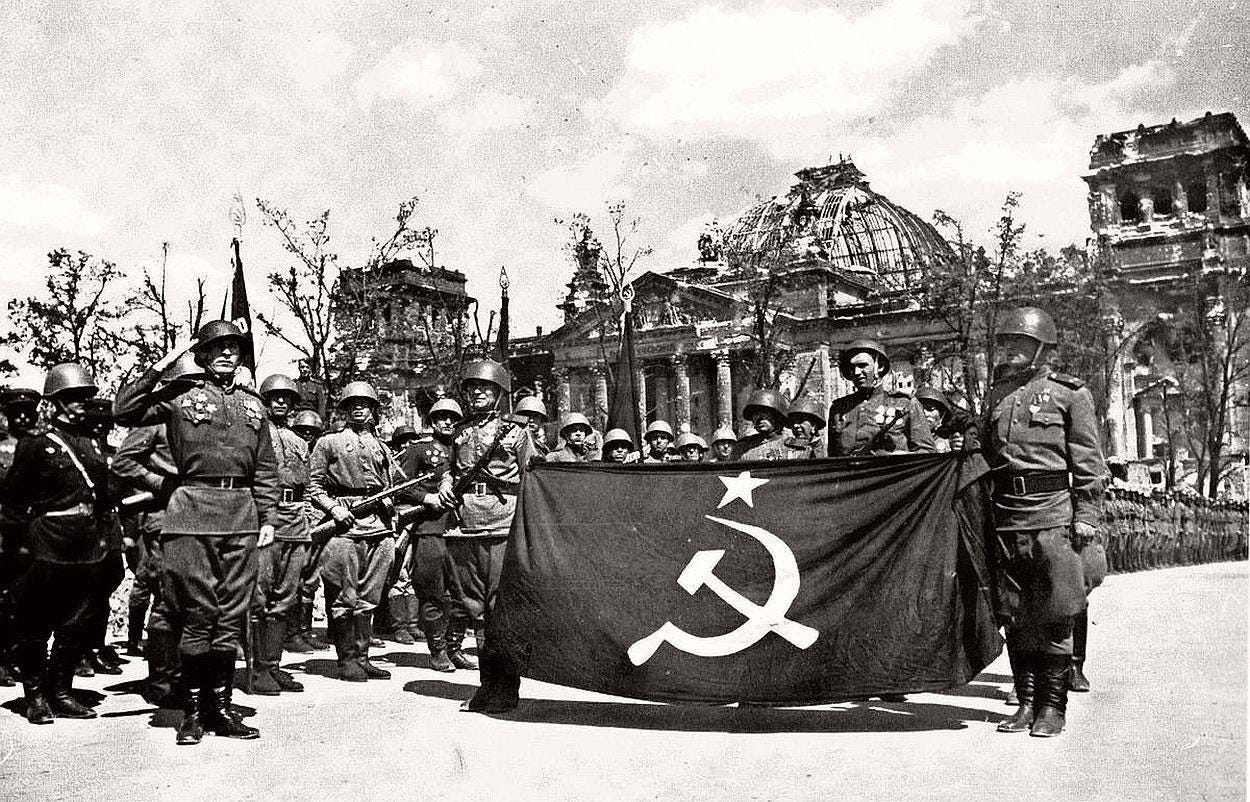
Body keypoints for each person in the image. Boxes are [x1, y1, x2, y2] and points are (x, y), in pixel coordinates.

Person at [113, 320, 280, 744]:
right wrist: (164, 364)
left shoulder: (254, 405)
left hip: (241, 516)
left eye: (234, 348)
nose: (227, 354)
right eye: (217, 348)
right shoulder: (179, 395)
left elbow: (265, 469)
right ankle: (191, 710)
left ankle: (220, 708)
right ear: (201, 354)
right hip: (190, 514)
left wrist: (269, 519)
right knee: (197, 612)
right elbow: (125, 410)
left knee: (231, 614)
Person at [984, 307, 1106, 739]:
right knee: (1014, 616)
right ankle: (1025, 702)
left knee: (1055, 613)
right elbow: (983, 454)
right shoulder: (997, 394)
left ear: (1042, 348)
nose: (1011, 350)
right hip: (1006, 519)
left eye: (1020, 343)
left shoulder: (1070, 394)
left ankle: (1053, 707)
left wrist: (1086, 516)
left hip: (1054, 516)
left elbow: (1089, 463)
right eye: (1007, 343)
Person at [1, 364, 112, 724]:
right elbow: (14, 500)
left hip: (86, 544)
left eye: (83, 397)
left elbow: (105, 495)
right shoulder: (37, 443)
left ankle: (60, 690)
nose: (81, 404)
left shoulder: (92, 442)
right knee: (36, 621)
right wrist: (18, 547)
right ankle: (34, 696)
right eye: (73, 398)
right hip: (48, 543)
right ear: (57, 402)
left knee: (78, 620)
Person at [439, 359, 539, 714]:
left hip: (501, 525)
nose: (478, 393)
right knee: (475, 609)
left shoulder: (516, 433)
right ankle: (488, 686)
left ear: (499, 394)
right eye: (472, 388)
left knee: (500, 609)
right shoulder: (461, 433)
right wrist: (446, 486)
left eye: (486, 388)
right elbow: (450, 472)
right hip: (465, 526)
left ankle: (506, 688)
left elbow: (535, 479)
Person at [308, 381, 404, 683]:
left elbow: (389, 485)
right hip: (344, 524)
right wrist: (333, 509)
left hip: (378, 524)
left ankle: (363, 658)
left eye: (365, 404)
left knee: (371, 596)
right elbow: (313, 486)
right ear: (345, 410)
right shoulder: (329, 442)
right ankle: (346, 659)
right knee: (343, 595)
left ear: (374, 409)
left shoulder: (382, 446)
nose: (359, 408)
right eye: (352, 404)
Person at [246, 374, 312, 695]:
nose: (281, 402)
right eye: (274, 397)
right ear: (264, 400)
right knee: (259, 595)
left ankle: (273, 665)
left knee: (286, 597)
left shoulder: (300, 442)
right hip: (265, 519)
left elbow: (309, 487)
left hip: (295, 521)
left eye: (287, 398)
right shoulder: (254, 434)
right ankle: (257, 670)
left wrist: (308, 521)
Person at [400, 397, 474, 672]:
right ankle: (438, 650)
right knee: (432, 591)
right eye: (441, 417)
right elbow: (400, 485)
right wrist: (426, 497)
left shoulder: (467, 449)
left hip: (463, 528)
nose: (448, 422)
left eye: (453, 418)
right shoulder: (419, 450)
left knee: (464, 592)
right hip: (430, 527)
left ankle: (454, 648)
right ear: (431, 422)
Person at [0, 388, 42, 688]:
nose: (24, 417)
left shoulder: (42, 446)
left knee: (25, 598)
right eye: (17, 413)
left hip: (34, 531)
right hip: (3, 531)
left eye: (29, 412)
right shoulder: (1, 449)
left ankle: (18, 655)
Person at [828, 341, 934, 456]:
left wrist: (903, 456)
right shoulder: (839, 409)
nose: (856, 372)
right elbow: (833, 458)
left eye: (863, 365)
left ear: (880, 366)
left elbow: (928, 452)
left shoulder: (906, 404)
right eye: (852, 367)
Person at [287, 408, 329, 653]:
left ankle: (304, 631)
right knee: (293, 578)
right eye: (302, 431)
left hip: (318, 522)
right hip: (295, 520)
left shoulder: (321, 453)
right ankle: (290, 633)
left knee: (311, 580)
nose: (307, 436)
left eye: (311, 432)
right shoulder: (292, 451)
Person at [732, 389, 808, 461]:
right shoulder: (742, 447)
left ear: (777, 417)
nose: (759, 418)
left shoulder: (794, 446)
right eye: (755, 414)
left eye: (765, 413)